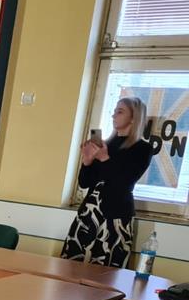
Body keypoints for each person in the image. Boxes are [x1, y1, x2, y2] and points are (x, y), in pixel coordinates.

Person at [61, 96, 153, 267]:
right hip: (89, 213)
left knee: (107, 271)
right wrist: (87, 162)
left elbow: (123, 183)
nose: (114, 115)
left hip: (115, 216)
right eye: (114, 111)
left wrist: (104, 158)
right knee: (72, 266)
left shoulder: (142, 148)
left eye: (120, 111)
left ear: (134, 118)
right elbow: (85, 183)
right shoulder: (106, 144)